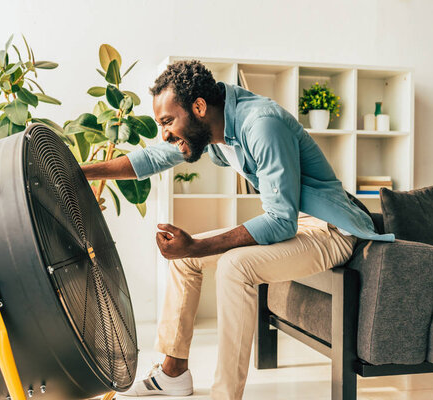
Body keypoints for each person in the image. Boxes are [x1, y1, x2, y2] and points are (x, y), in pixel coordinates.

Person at [81, 60, 394, 399]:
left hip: (334, 230)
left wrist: (198, 246)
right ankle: (173, 373)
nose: (165, 133)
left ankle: (225, 395)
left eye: (168, 121)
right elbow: (154, 157)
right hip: (303, 223)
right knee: (186, 260)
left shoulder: (262, 125)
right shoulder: (215, 127)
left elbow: (280, 220)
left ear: (199, 107)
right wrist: (80, 173)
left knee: (234, 266)